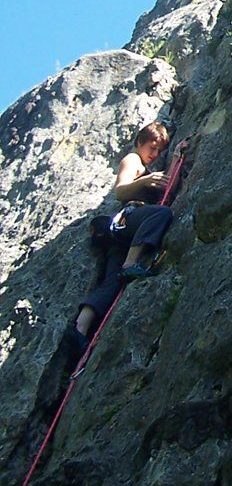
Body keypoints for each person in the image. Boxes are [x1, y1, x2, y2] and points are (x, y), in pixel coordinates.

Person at [68, 122, 186, 354]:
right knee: (162, 213)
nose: (154, 154)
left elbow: (168, 187)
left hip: (126, 234)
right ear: (139, 142)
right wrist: (143, 181)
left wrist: (174, 157)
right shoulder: (132, 160)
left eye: (159, 151)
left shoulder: (145, 166)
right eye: (152, 147)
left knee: (112, 282)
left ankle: (79, 329)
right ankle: (131, 264)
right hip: (129, 220)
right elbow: (121, 190)